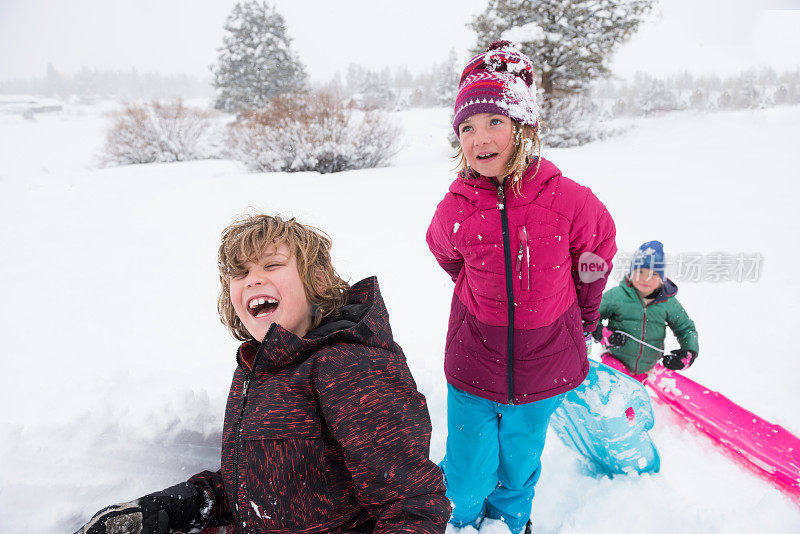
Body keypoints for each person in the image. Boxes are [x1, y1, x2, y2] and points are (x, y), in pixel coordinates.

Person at [76, 214, 449, 534]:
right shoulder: (259, 368)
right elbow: (263, 484)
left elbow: (411, 502)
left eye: (271, 266)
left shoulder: (348, 367)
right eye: (240, 273)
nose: (253, 279)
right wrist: (169, 509)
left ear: (316, 280)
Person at [426, 40, 616, 534]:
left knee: (519, 467)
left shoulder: (569, 200)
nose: (479, 137)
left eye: (494, 122)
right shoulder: (456, 207)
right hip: (474, 364)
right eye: (466, 126)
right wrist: (478, 291)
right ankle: (461, 522)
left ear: (523, 128)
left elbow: (595, 255)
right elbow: (445, 253)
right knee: (465, 476)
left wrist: (585, 313)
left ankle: (511, 522)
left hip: (544, 364)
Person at [595, 240, 699, 382]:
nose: (645, 279)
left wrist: (688, 353)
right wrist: (604, 334)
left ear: (662, 279)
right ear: (632, 272)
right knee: (609, 391)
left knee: (632, 401)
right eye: (640, 272)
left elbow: (685, 328)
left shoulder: (668, 302)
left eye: (653, 274)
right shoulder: (617, 296)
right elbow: (592, 317)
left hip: (645, 368)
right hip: (615, 360)